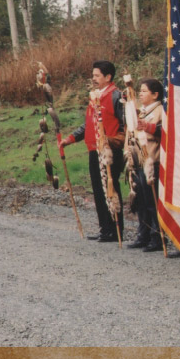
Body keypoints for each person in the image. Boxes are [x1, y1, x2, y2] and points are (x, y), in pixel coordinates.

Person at [61, 60, 125, 242]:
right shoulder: (95, 96)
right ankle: (105, 228)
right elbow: (88, 124)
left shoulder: (116, 96)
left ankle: (115, 229)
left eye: (97, 75)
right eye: (94, 75)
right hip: (93, 149)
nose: (94, 78)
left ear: (108, 77)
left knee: (110, 188)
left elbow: (124, 124)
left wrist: (115, 142)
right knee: (98, 189)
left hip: (109, 150)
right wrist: (71, 138)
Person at [125, 78, 163, 252]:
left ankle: (157, 236)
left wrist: (147, 127)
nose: (141, 93)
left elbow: (162, 131)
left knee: (152, 201)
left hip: (152, 161)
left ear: (155, 94)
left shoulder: (160, 111)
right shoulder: (141, 112)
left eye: (145, 91)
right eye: (139, 90)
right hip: (139, 161)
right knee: (141, 200)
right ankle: (143, 233)